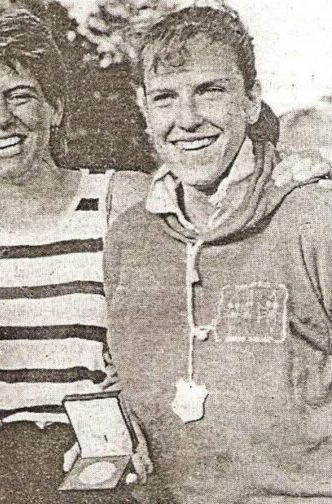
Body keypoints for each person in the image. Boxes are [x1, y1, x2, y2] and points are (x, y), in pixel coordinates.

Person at [0, 9, 149, 504]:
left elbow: (166, 349)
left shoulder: (122, 199)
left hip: (102, 471)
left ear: (56, 108)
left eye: (19, 96)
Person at [105, 6, 332, 503]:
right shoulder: (129, 236)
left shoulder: (315, 218)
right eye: (166, 98)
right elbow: (126, 377)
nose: (187, 120)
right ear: (143, 109)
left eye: (210, 90)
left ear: (251, 101)